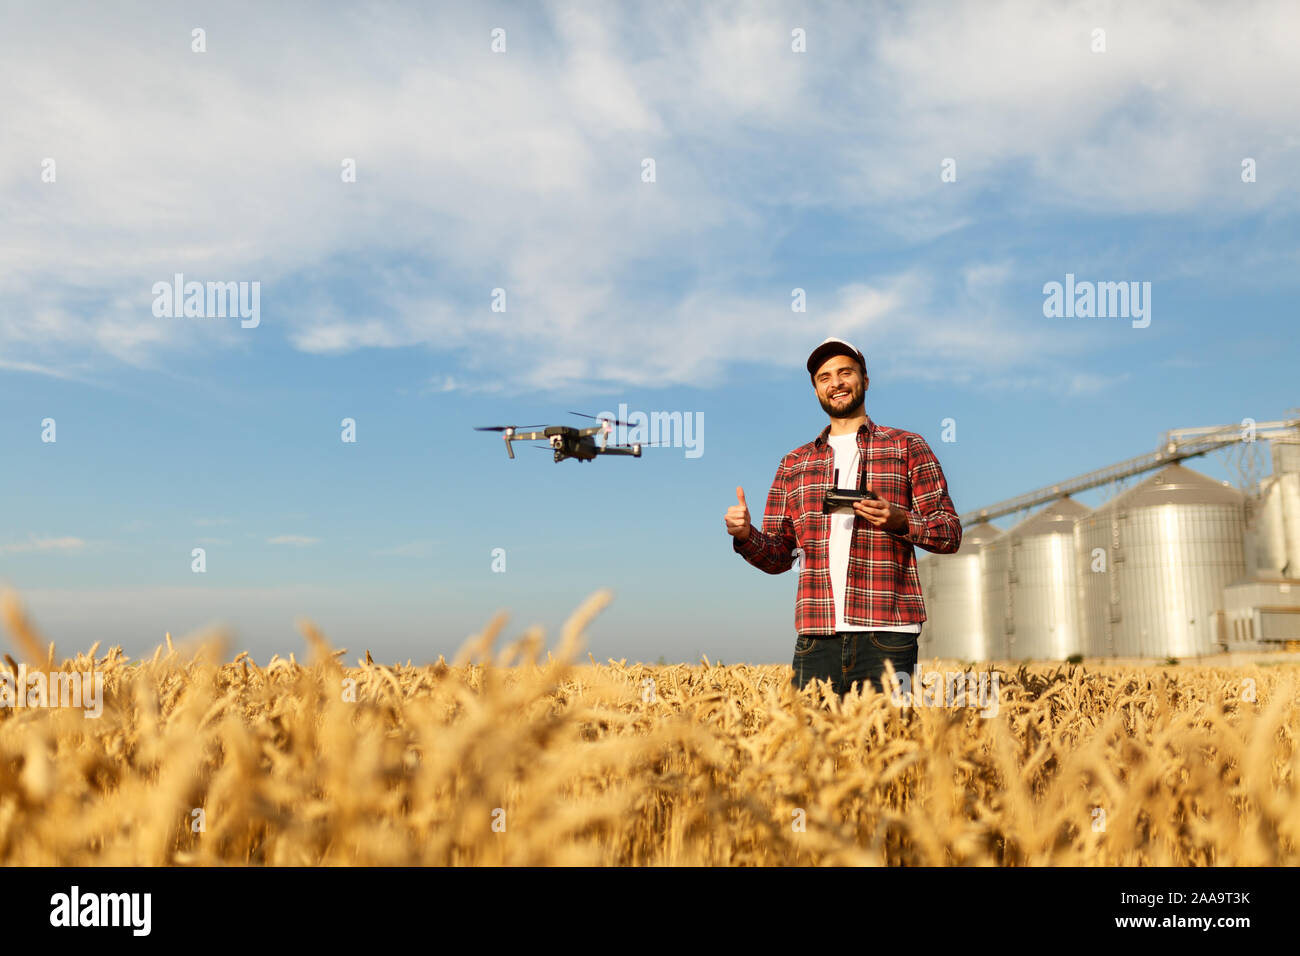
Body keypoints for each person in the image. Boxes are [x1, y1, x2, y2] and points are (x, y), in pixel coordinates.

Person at [725, 337, 961, 698]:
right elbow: (778, 557)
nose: (835, 383)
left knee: (885, 750)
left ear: (865, 380)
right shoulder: (794, 463)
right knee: (812, 753)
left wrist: (900, 520)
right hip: (816, 638)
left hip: (888, 636)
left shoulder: (907, 447)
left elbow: (949, 532)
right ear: (817, 389)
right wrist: (745, 535)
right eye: (824, 377)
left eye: (844, 372)